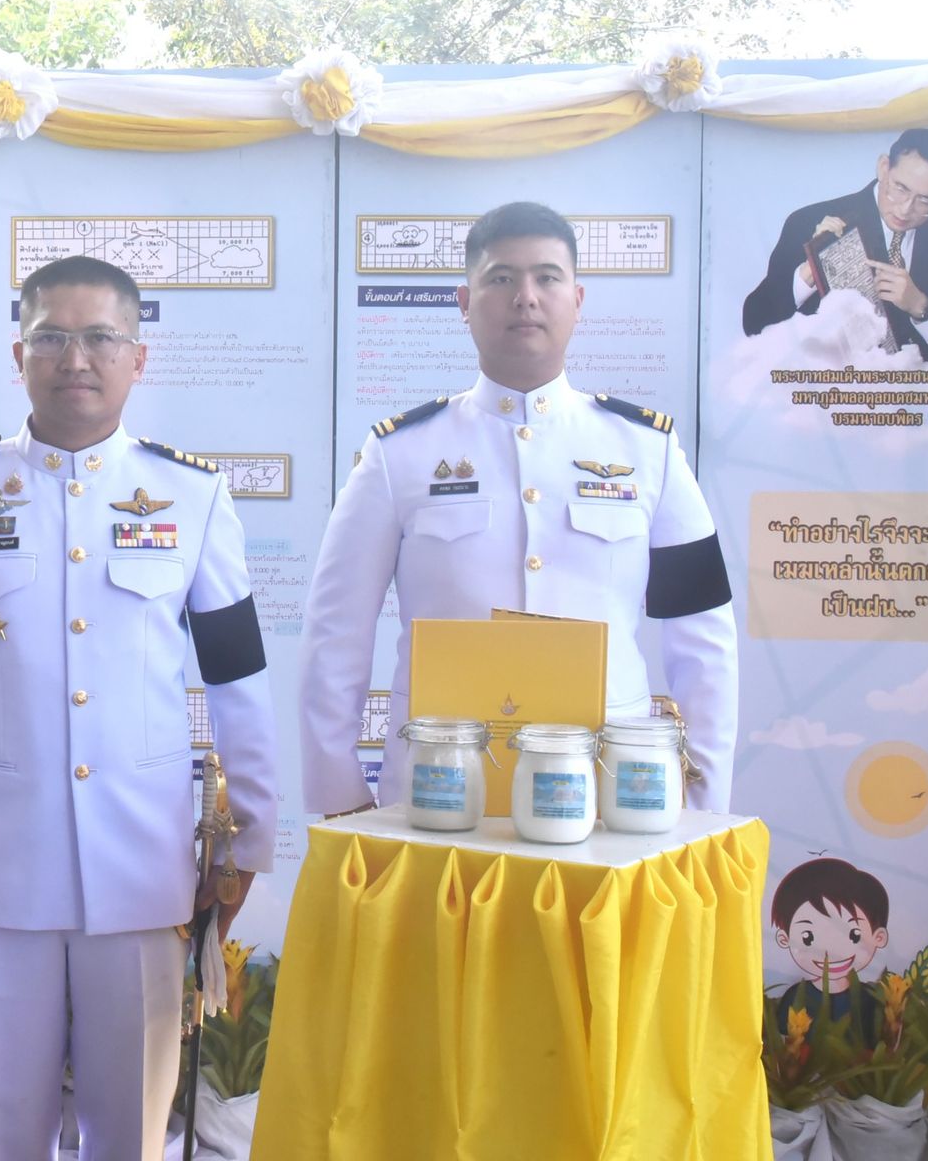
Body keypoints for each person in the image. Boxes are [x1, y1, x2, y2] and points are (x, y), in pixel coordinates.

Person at [0, 255, 276, 1160]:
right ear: (18, 354)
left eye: (101, 337)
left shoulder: (192, 497)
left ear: (138, 357)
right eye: (52, 337)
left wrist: (247, 841)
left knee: (130, 1130)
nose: (76, 358)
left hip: (143, 868)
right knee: (6, 1130)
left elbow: (239, 682)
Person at [298, 201, 738, 816]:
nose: (525, 297)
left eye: (547, 278)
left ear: (577, 301)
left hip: (610, 797)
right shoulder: (399, 454)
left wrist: (702, 800)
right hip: (439, 792)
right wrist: (342, 797)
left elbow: (704, 634)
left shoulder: (647, 450)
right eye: (501, 278)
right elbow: (336, 630)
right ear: (464, 302)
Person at [742, 127, 928, 364]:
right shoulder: (807, 222)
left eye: (925, 200)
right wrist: (809, 272)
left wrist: (921, 308)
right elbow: (755, 323)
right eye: (900, 188)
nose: (905, 209)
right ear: (883, 168)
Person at [769, 857, 891, 1044]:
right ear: (784, 939)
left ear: (879, 937)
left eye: (854, 935)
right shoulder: (796, 997)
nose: (831, 950)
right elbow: (783, 1042)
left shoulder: (869, 1000)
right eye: (808, 937)